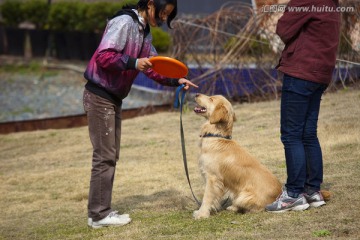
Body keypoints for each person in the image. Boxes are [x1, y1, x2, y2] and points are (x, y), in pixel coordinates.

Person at [83, 0, 198, 228]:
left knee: (110, 155)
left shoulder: (144, 33)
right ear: (151, 4)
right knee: (104, 156)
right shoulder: (124, 22)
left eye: (168, 16)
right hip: (99, 95)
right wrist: (134, 62)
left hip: (114, 98)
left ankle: (101, 211)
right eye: (163, 13)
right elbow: (103, 56)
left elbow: (153, 67)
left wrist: (176, 80)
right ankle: (98, 215)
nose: (164, 20)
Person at [265, 0, 340, 212]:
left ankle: (294, 194)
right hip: (320, 74)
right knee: (308, 134)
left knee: (291, 135)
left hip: (301, 72)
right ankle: (312, 191)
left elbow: (283, 29)